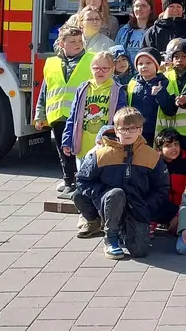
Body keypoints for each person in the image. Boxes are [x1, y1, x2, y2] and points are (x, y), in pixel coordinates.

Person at [73, 107, 172, 259]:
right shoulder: (101, 154)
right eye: (123, 129)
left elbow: (161, 188)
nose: (127, 133)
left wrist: (147, 207)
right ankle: (110, 236)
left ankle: (121, 227)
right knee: (115, 194)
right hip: (109, 201)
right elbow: (82, 180)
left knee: (140, 251)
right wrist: (102, 196)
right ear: (116, 130)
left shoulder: (152, 156)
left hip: (137, 204)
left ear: (140, 130)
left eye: (132, 129)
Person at [33, 26, 90, 197]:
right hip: (58, 115)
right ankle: (68, 182)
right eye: (72, 41)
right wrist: (39, 115)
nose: (77, 44)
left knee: (81, 150)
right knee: (63, 151)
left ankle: (82, 181)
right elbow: (45, 90)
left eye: (80, 41)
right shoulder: (51, 63)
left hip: (82, 115)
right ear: (62, 43)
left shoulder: (90, 60)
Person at [62, 51, 127, 166]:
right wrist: (67, 139)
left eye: (105, 68)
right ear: (91, 69)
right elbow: (73, 116)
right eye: (96, 68)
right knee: (83, 179)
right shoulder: (83, 88)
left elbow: (121, 120)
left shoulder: (118, 90)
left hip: (105, 147)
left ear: (112, 69)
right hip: (83, 147)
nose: (100, 71)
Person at [154, 38, 186, 151]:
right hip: (170, 131)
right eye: (176, 57)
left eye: (184, 56)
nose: (179, 60)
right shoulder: (166, 75)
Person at [154, 126, 186, 228]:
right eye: (168, 145)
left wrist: (179, 215)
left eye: (176, 144)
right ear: (159, 150)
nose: (174, 148)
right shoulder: (155, 164)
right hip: (163, 207)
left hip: (184, 208)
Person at [124, 50, 165, 125]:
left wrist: (160, 94)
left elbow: (170, 110)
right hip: (135, 128)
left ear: (156, 65)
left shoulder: (164, 82)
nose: (144, 66)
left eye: (148, 63)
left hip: (156, 129)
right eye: (140, 64)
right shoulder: (133, 82)